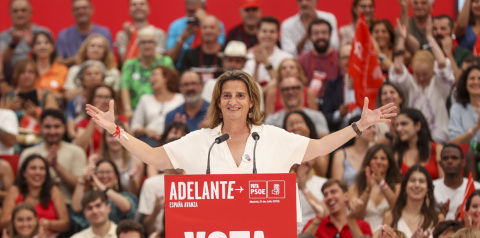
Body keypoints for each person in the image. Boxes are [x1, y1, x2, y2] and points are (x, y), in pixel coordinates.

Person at [86, 69, 396, 175]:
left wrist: (359, 125)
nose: (233, 101)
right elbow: (153, 156)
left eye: (240, 95)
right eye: (226, 96)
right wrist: (115, 130)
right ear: (218, 103)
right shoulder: (200, 140)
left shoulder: (272, 136)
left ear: (251, 102)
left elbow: (318, 147)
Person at [390, 17, 454, 143]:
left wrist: (430, 38)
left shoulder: (440, 84)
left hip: (437, 138)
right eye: (417, 74)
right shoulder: (410, 83)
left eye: (425, 74)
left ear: (432, 70)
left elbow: (442, 63)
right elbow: (397, 68)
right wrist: (402, 39)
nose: (421, 78)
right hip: (411, 138)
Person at [19, 109, 86, 205]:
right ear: (40, 128)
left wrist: (56, 166)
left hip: (68, 204)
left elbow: (79, 187)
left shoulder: (77, 152)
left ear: (64, 128)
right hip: (35, 206)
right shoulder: (28, 154)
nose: (52, 131)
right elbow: (21, 185)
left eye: (57, 126)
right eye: (47, 127)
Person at [303, 179, 373, 238]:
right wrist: (319, 217)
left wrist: (351, 220)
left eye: (333, 192)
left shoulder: (363, 225)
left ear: (346, 196)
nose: (329, 197)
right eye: (325, 195)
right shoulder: (316, 223)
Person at [383, 165, 444, 238]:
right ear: (405, 186)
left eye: (421, 181)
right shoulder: (390, 216)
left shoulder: (438, 218)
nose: (417, 185)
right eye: (412, 180)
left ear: (428, 188)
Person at [0, 154, 70, 233]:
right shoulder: (15, 190)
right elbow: (2, 223)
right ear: (24, 173)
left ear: (46, 173)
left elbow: (66, 223)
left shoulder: (53, 191)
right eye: (33, 168)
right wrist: (17, 222)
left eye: (42, 168)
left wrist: (50, 224)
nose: (38, 172)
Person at [1, 59, 59, 146]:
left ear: (36, 75)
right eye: (22, 72)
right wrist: (7, 112)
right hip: (13, 144)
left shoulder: (46, 97)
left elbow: (56, 124)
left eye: (31, 72)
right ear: (16, 75)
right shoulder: (8, 98)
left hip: (40, 142)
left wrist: (36, 116)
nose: (26, 75)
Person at [121, 27, 175, 117]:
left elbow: (173, 85)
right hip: (136, 111)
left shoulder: (165, 62)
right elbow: (124, 87)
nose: (147, 45)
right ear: (138, 45)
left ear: (155, 44)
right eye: (143, 42)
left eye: (150, 42)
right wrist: (127, 109)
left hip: (164, 107)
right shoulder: (129, 64)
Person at [348, 144, 402, 232]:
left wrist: (381, 182)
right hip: (363, 235)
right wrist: (368, 190)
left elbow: (397, 209)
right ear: (368, 161)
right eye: (374, 158)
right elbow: (358, 217)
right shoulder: (356, 187)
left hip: (389, 235)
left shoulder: (398, 186)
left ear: (389, 163)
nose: (378, 162)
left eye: (383, 158)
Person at [72, 159, 138, 227]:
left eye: (108, 172)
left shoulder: (125, 196)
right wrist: (82, 178)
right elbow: (77, 208)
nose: (104, 175)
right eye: (100, 172)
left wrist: (104, 188)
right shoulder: (89, 197)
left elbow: (126, 207)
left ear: (116, 176)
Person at [131, 66, 183, 146]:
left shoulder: (180, 98)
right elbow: (135, 126)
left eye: (154, 75)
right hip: (150, 140)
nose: (150, 79)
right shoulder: (145, 99)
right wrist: (146, 130)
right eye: (150, 76)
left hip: (174, 140)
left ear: (166, 78)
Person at [165, 0, 226, 68]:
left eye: (196, 11)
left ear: (204, 9)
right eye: (190, 11)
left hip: (211, 65)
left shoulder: (215, 23)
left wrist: (203, 22)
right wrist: (181, 38)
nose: (193, 15)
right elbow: (170, 58)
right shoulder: (176, 26)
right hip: (182, 67)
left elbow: (219, 48)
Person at [89, 122, 144, 196]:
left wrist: (131, 179)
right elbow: (91, 188)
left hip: (127, 203)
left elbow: (134, 194)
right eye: (111, 136)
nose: (115, 139)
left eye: (118, 135)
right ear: (104, 138)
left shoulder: (136, 159)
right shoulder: (95, 159)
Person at [63, 34, 120, 100]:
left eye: (100, 47)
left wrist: (102, 87)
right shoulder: (74, 70)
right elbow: (68, 96)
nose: (96, 49)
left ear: (105, 52)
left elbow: (117, 97)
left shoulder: (113, 72)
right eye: (92, 46)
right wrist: (87, 88)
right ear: (85, 49)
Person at [56, 0, 113, 67]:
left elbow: (111, 58)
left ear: (92, 9)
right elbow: (57, 61)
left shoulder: (104, 33)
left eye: (84, 8)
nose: (81, 11)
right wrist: (75, 60)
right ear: (72, 12)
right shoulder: (63, 35)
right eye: (77, 9)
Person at [75, 84, 128, 155]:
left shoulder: (121, 119)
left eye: (107, 97)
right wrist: (94, 119)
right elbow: (78, 149)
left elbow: (130, 145)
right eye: (99, 96)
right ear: (92, 99)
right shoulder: (83, 123)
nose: (103, 100)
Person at [434, 144, 480, 221]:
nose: (449, 161)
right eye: (445, 158)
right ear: (440, 163)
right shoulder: (430, 187)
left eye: (454, 158)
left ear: (463, 162)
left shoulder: (477, 187)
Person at [297, 18, 341, 99]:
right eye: (316, 33)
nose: (320, 36)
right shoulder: (301, 60)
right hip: (309, 102)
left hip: (335, 103)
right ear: (309, 36)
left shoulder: (340, 57)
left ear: (330, 35)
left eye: (324, 32)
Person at [394, 108, 443, 179]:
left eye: (404, 124)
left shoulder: (438, 150)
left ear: (418, 126)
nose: (398, 129)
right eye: (397, 125)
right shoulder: (397, 155)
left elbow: (443, 183)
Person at [0, 0, 51, 67]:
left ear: (31, 12)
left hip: (41, 74)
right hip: (13, 74)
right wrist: (13, 44)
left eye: (23, 10)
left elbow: (52, 57)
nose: (19, 14)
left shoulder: (43, 32)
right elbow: (3, 60)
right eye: (15, 11)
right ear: (10, 13)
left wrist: (32, 44)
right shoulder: (3, 36)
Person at [322, 44, 361, 132]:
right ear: (339, 61)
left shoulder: (368, 84)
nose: (349, 60)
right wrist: (339, 114)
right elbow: (326, 116)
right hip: (343, 133)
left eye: (352, 56)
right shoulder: (332, 86)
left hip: (367, 129)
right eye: (345, 57)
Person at [243, 16, 292, 85]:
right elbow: (249, 87)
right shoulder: (247, 57)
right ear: (257, 33)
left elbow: (284, 85)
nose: (268, 35)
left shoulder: (287, 58)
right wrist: (256, 66)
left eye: (272, 32)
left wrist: (266, 62)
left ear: (278, 35)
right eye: (264, 31)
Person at [65, 60, 107, 140]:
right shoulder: (74, 100)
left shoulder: (109, 97)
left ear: (103, 77)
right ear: (81, 78)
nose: (93, 76)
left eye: (96, 73)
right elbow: (71, 129)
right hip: (79, 136)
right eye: (88, 74)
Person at [331, 116, 376, 187]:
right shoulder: (341, 155)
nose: (374, 130)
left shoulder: (376, 154)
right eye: (368, 127)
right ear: (355, 132)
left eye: (374, 127)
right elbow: (336, 185)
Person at [116, 0, 166, 64]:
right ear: (129, 11)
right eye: (134, 5)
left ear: (149, 9)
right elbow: (125, 64)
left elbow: (158, 61)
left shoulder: (159, 34)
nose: (138, 7)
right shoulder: (123, 35)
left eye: (142, 4)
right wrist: (130, 40)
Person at [284, 110, 329, 176]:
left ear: (308, 125)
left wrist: (306, 141)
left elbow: (322, 172)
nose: (295, 127)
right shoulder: (282, 149)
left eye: (299, 123)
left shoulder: (320, 145)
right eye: (290, 125)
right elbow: (282, 174)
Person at [179, 15, 223, 81]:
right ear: (200, 31)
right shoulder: (190, 55)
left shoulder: (227, 54)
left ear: (219, 31)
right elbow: (182, 79)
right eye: (204, 27)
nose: (208, 31)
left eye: (212, 27)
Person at [293, 150, 327, 232]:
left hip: (316, 234)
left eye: (305, 157)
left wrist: (304, 187)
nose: (302, 161)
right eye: (297, 157)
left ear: (313, 160)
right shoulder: (282, 184)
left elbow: (326, 213)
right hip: (289, 236)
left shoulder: (323, 183)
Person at [433, 15, 471, 82]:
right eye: (435, 29)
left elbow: (460, 80)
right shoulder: (427, 52)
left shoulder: (465, 54)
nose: (438, 32)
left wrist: (449, 54)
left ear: (452, 30)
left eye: (443, 28)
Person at [450, 65, 480, 144]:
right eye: (472, 78)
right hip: (464, 154)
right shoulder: (456, 108)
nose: (476, 82)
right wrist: (476, 127)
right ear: (465, 83)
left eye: (479, 78)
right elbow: (454, 142)